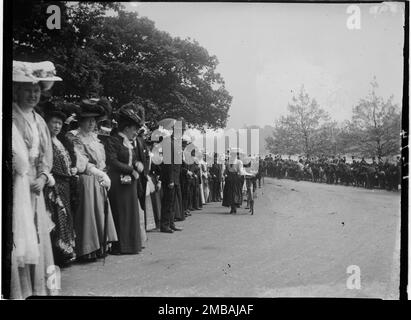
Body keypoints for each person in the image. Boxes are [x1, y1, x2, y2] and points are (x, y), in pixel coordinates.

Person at [11, 60, 61, 298]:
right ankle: (19, 290)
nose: (33, 94)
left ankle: (41, 289)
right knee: (18, 237)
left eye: (37, 90)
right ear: (17, 90)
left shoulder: (40, 120)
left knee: (39, 236)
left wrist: (43, 176)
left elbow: (46, 154)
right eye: (28, 89)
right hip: (14, 186)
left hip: (36, 187)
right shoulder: (9, 117)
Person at [66, 99, 118, 261]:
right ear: (80, 122)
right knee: (88, 213)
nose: (91, 123)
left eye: (93, 120)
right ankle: (88, 248)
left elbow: (102, 159)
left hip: (99, 179)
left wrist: (103, 173)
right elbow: (80, 159)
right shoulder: (74, 137)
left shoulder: (96, 138)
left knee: (100, 211)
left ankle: (101, 245)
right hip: (86, 179)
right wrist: (97, 172)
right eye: (87, 120)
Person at [105, 103, 144, 254]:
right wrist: (131, 170)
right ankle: (120, 246)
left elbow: (131, 159)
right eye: (134, 130)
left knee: (130, 213)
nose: (136, 133)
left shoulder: (129, 144)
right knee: (120, 213)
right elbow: (112, 161)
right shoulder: (113, 141)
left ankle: (131, 245)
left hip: (129, 184)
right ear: (127, 128)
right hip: (117, 183)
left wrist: (137, 164)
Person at [43, 104, 78, 266]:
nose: (57, 126)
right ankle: (58, 254)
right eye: (53, 122)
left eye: (59, 123)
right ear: (47, 123)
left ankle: (66, 251)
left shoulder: (60, 141)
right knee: (57, 217)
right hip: (53, 185)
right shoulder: (45, 142)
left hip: (65, 185)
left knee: (65, 217)